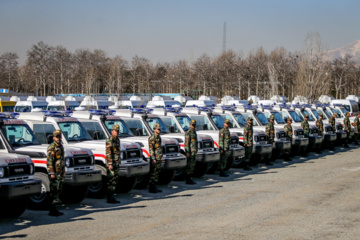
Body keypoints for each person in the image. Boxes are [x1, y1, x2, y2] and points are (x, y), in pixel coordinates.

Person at [47, 130, 65, 216]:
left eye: (59, 137)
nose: (58, 138)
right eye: (57, 137)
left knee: (58, 190)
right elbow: (50, 161)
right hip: (54, 172)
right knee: (53, 190)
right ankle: (52, 210)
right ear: (53, 137)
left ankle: (55, 209)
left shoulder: (60, 146)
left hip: (60, 172)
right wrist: (52, 173)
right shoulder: (52, 147)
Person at [105, 124, 121, 204]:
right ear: (112, 131)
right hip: (111, 164)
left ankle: (112, 197)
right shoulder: (110, 140)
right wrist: (110, 163)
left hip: (116, 163)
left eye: (117, 131)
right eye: (115, 131)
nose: (117, 132)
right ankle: (109, 198)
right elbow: (108, 153)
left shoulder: (117, 140)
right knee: (110, 180)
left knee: (115, 180)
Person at [148, 123, 163, 193]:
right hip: (154, 159)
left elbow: (159, 148)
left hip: (159, 158)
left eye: (160, 129)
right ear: (154, 130)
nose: (159, 130)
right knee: (153, 173)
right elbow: (151, 149)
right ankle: (151, 187)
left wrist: (161, 156)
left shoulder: (159, 138)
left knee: (157, 173)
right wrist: (153, 158)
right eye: (158, 129)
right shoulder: (152, 138)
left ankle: (155, 186)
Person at [184, 119, 198, 184]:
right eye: (192, 125)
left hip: (194, 151)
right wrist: (187, 152)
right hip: (190, 151)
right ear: (190, 125)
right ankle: (188, 179)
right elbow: (187, 143)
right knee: (189, 165)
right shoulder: (188, 133)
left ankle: (190, 178)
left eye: (194, 125)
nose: (193, 126)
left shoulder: (194, 132)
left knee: (192, 165)